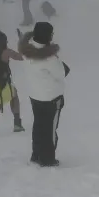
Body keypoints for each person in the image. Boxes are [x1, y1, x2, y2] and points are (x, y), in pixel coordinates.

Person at [18, 22, 69, 167]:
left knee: (38, 125)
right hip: (51, 97)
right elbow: (61, 73)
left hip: (35, 95)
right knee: (50, 129)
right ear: (48, 36)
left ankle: (36, 154)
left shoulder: (26, 50)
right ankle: (48, 159)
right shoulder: (49, 58)